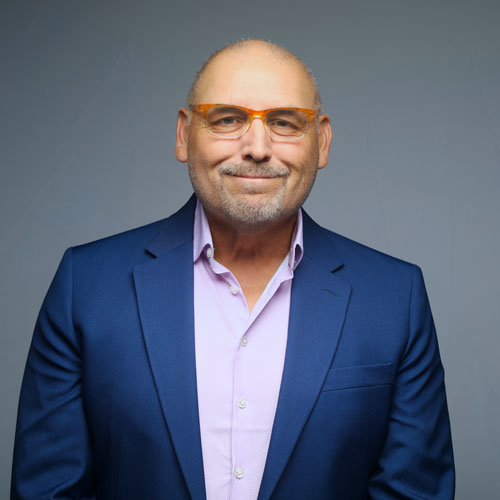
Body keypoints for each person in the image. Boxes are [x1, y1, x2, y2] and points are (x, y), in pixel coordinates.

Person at [11, 39, 455, 500]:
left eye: (285, 122)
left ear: (322, 142)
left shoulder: (394, 299)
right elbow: (48, 490)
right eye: (227, 119)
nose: (257, 148)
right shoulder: (86, 287)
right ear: (184, 135)